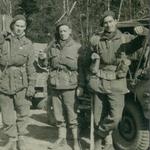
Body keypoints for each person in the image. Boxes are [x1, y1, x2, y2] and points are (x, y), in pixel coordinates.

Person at [79, 10, 149, 150]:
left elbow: (140, 42)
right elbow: (84, 62)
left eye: (111, 21)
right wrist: (91, 62)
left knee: (116, 118)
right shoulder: (96, 40)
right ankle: (101, 145)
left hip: (117, 83)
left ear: (115, 21)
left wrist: (143, 32)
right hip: (99, 82)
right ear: (103, 25)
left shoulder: (124, 39)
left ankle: (99, 134)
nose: (108, 24)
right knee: (98, 117)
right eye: (105, 22)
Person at [0, 15, 36, 150]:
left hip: (21, 82)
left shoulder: (28, 43)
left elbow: (30, 66)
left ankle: (21, 139)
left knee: (23, 111)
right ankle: (11, 139)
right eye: (17, 25)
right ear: (12, 26)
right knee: (6, 113)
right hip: (4, 81)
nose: (19, 28)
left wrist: (32, 85)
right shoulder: (4, 41)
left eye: (22, 26)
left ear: (25, 28)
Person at [47, 18, 81, 150]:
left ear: (70, 31)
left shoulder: (77, 47)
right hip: (55, 84)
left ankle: (75, 141)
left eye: (65, 31)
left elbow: (82, 68)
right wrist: (43, 59)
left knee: (72, 114)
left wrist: (81, 85)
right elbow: (47, 65)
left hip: (69, 85)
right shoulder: (52, 46)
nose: (62, 33)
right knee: (58, 114)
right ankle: (61, 138)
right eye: (60, 31)